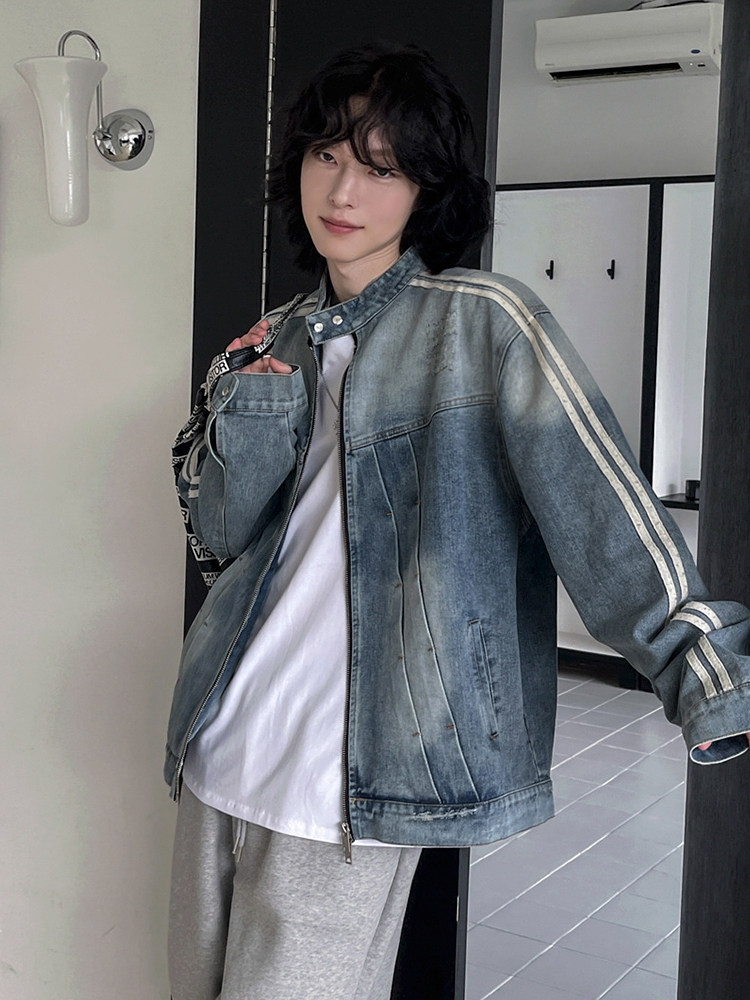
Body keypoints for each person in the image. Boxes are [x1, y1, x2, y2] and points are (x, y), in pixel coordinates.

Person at [165, 43, 750, 1000]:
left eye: (380, 167)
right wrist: (252, 410)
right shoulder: (274, 338)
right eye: (326, 155)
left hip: (352, 774)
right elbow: (221, 542)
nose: (342, 190)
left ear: (424, 189)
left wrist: (710, 676)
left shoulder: (485, 323)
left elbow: (602, 507)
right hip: (220, 741)